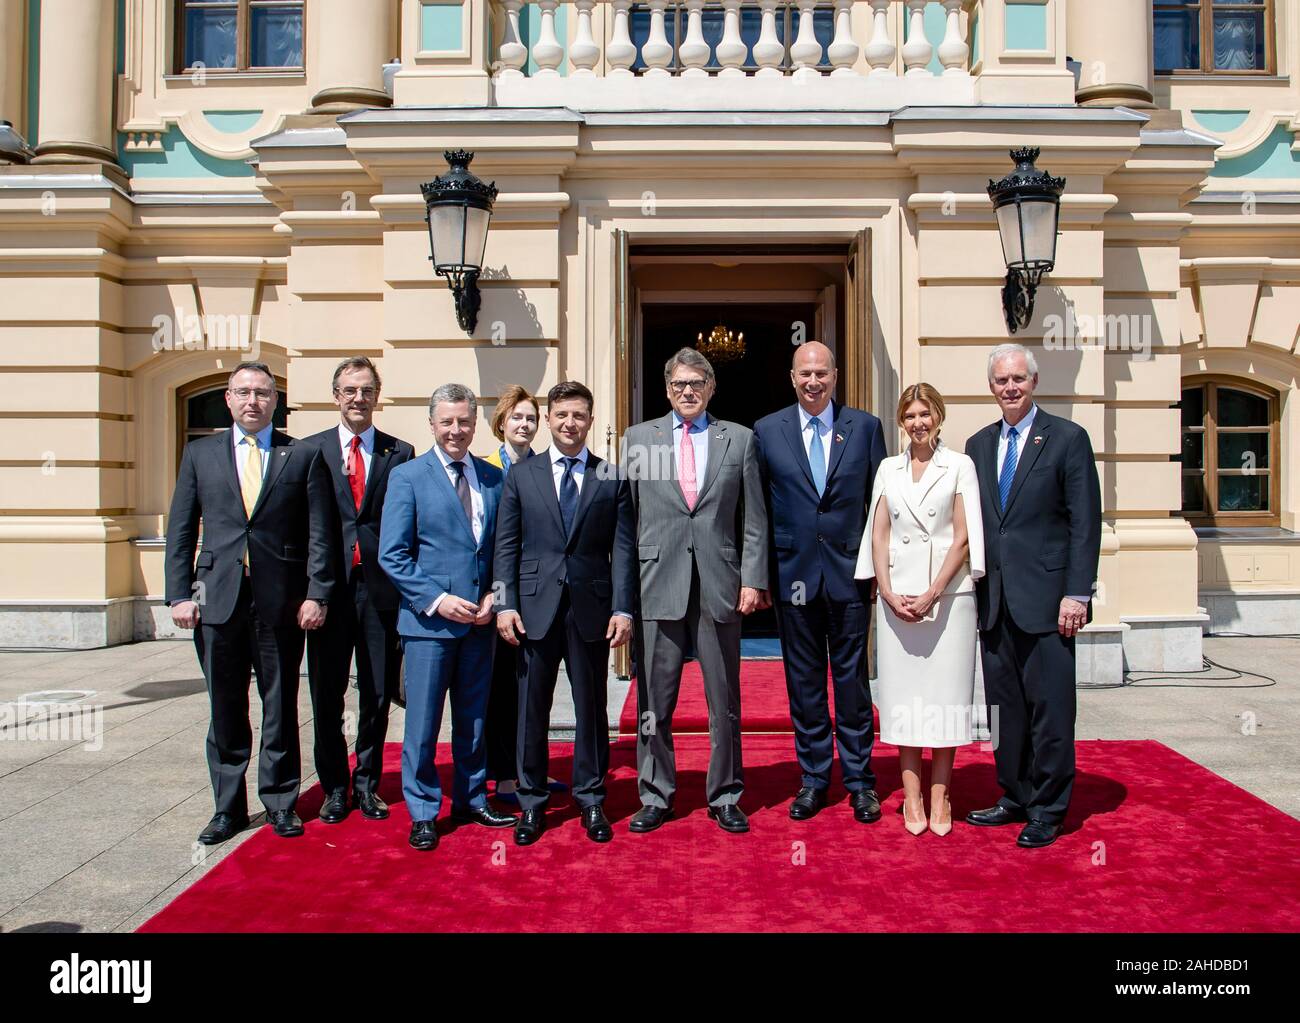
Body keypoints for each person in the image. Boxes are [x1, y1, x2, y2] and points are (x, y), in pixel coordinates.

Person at [165, 361, 334, 845]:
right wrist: (179, 593)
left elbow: (319, 533)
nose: (253, 401)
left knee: (279, 704)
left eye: (262, 392)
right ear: (229, 400)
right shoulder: (200, 453)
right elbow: (181, 529)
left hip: (280, 602)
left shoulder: (299, 455)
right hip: (217, 600)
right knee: (225, 706)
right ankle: (227, 808)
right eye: (243, 392)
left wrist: (316, 593)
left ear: (275, 400)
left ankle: (280, 802)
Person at [621, 348, 769, 835]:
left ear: (710, 389)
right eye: (680, 384)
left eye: (697, 384)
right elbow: (628, 520)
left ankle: (725, 793)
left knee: (723, 698)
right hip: (656, 583)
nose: (688, 392)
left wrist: (752, 579)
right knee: (653, 703)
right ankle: (655, 794)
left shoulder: (740, 440)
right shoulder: (639, 438)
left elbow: (754, 520)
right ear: (667, 390)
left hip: (718, 585)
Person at [963, 344, 1101, 848]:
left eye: (1018, 378)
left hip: (1048, 602)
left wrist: (1077, 593)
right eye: (1002, 381)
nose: (1010, 388)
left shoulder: (1067, 439)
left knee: (1051, 709)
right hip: (995, 602)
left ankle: (1049, 806)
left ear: (1034, 381)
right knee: (1006, 710)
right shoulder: (977, 445)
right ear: (991, 387)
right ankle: (1015, 795)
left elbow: (1085, 523)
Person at [494, 381, 636, 845]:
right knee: (530, 709)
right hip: (533, 609)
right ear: (549, 419)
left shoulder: (611, 476)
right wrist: (505, 603)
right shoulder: (522, 474)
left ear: (590, 421)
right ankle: (532, 802)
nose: (569, 423)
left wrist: (623, 608)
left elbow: (623, 548)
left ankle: (592, 797)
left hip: (592, 610)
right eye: (561, 415)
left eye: (578, 415)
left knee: (591, 709)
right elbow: (506, 546)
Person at [378, 383, 517, 852]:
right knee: (422, 722)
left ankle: (472, 797)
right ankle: (422, 811)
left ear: (475, 424)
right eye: (447, 422)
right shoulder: (408, 477)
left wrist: (494, 598)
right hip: (429, 626)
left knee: (473, 719)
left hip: (480, 623)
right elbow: (393, 555)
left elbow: (503, 549)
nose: (456, 430)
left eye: (464, 421)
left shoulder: (492, 477)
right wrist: (438, 600)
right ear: (432, 424)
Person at [754, 341, 887, 825]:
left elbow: (881, 505)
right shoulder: (768, 431)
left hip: (851, 576)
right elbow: (759, 510)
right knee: (804, 683)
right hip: (793, 577)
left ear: (836, 376)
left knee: (852, 682)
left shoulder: (866, 428)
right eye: (805, 373)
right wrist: (760, 575)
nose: (813, 381)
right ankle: (813, 778)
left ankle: (859, 782)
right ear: (792, 378)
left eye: (822, 373)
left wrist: (881, 569)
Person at [856, 384, 984, 836]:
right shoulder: (888, 469)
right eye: (909, 416)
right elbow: (879, 534)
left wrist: (933, 592)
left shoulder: (960, 465)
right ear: (901, 421)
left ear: (939, 416)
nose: (917, 423)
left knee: (945, 701)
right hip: (897, 603)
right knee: (906, 703)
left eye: (924, 414)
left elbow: (964, 538)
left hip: (948, 600)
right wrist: (886, 593)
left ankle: (941, 794)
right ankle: (911, 796)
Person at [303, 357, 415, 825]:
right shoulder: (309, 451)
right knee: (326, 694)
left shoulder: (400, 452)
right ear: (336, 395)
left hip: (379, 591)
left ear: (377, 395)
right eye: (349, 390)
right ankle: (333, 787)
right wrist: (309, 590)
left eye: (366, 390)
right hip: (327, 590)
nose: (358, 398)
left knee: (375, 691)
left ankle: (368, 784)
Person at [481, 386, 540, 803]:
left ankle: (528, 770)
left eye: (531, 418)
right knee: (499, 688)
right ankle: (502, 774)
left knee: (530, 687)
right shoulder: (483, 469)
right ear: (502, 423)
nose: (525, 425)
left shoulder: (544, 468)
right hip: (493, 594)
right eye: (517, 417)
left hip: (537, 591)